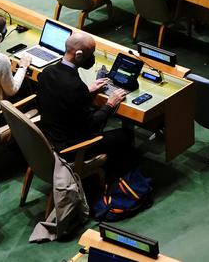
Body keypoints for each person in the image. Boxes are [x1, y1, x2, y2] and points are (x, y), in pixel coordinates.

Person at [35, 30, 135, 177]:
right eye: (91, 54)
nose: (92, 58)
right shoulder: (75, 86)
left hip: (49, 137)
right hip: (69, 148)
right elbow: (92, 125)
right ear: (79, 55)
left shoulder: (47, 72)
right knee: (125, 135)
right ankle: (115, 178)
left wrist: (88, 92)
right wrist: (110, 104)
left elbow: (63, 101)